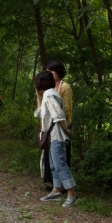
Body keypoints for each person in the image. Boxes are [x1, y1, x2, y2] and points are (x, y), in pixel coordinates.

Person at [35, 71, 77, 207]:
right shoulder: (50, 94)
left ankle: (71, 193)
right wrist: (38, 97)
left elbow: (58, 115)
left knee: (59, 164)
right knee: (53, 164)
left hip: (56, 135)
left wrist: (67, 131)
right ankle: (56, 190)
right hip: (52, 135)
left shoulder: (50, 94)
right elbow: (39, 113)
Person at [42, 61, 74, 188]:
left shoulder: (64, 87)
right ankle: (54, 185)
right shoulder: (48, 88)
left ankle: (67, 189)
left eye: (51, 72)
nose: (49, 74)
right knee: (51, 159)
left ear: (58, 73)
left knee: (60, 159)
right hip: (50, 128)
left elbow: (66, 109)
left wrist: (65, 128)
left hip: (61, 127)